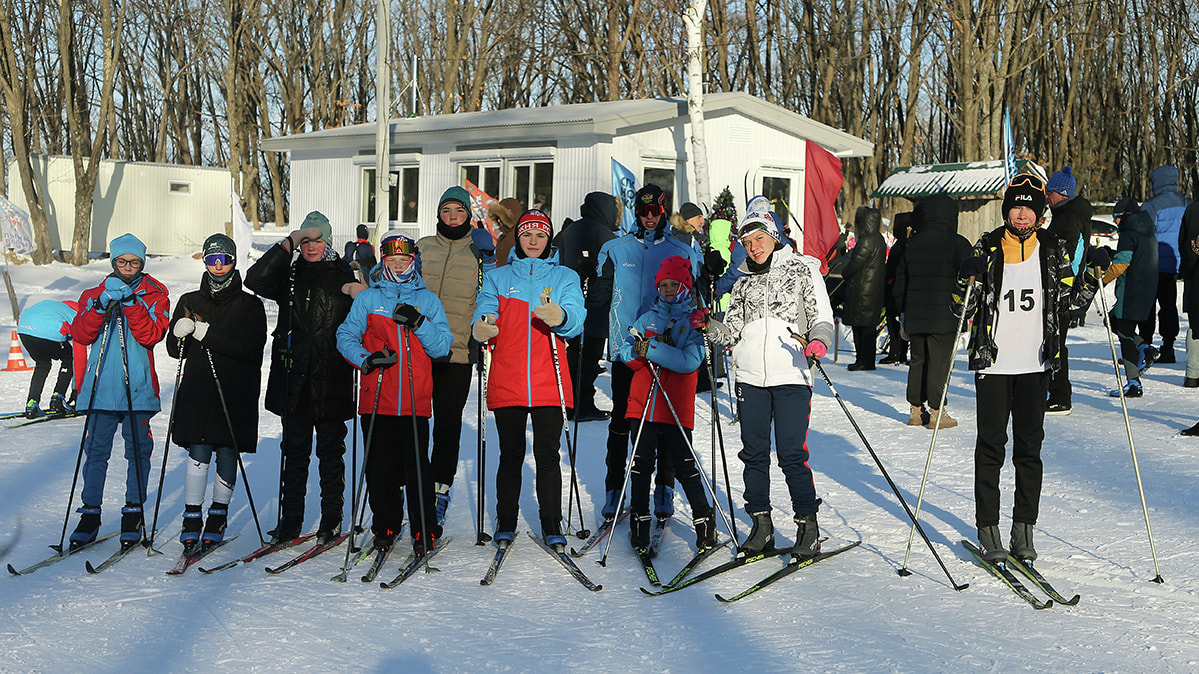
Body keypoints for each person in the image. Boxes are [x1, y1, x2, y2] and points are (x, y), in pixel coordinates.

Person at [955, 174, 1101, 562]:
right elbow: (962, 309)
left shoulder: (1053, 249)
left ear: (1039, 214)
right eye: (1015, 208)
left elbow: (1070, 305)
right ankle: (988, 528)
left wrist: (1091, 275)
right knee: (990, 447)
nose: (1021, 215)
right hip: (995, 363)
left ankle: (1024, 530)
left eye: (1029, 209)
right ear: (1007, 211)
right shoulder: (986, 246)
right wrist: (962, 279)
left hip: (1036, 364)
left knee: (1029, 449)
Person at [705, 212, 835, 560]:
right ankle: (761, 526)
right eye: (746, 243)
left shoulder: (801, 268)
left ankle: (808, 527)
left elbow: (822, 314)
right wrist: (710, 326)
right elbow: (731, 329)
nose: (753, 247)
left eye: (759, 239)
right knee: (754, 454)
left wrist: (819, 341)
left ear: (774, 236)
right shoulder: (743, 281)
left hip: (791, 373)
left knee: (792, 454)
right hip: (749, 377)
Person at [471, 210, 584, 549]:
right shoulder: (499, 276)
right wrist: (483, 323)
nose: (533, 241)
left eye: (540, 235)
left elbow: (577, 319)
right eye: (527, 235)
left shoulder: (564, 276)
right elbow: (485, 307)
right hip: (508, 373)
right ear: (518, 238)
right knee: (511, 452)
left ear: (548, 239)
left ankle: (552, 523)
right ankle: (506, 521)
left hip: (549, 375)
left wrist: (560, 315)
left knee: (548, 453)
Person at [336, 231, 453, 554]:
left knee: (418, 468)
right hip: (377, 398)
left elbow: (442, 346)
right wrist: (367, 359)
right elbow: (345, 335)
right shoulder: (369, 299)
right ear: (383, 262)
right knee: (380, 469)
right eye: (392, 260)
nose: (399, 265)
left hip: (415, 401)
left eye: (404, 260)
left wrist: (419, 322)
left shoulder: (428, 300)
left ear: (413, 261)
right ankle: (384, 525)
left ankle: (424, 529)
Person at [245, 211, 356, 544]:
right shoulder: (288, 275)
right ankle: (290, 521)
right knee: (293, 453)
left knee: (330, 454)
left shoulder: (344, 274)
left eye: (317, 240)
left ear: (328, 242)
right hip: (294, 379)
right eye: (305, 241)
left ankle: (331, 521)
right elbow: (254, 280)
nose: (310, 247)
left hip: (331, 377)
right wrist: (289, 240)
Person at [593, 184, 701, 522]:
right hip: (628, 351)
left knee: (665, 423)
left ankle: (664, 487)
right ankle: (615, 488)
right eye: (644, 210)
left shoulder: (682, 250)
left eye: (656, 211)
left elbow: (693, 294)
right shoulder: (615, 248)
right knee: (623, 423)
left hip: (668, 348)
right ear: (636, 211)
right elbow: (600, 294)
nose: (650, 216)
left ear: (665, 211)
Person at [69, 233, 170, 549]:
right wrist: (100, 306)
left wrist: (130, 303)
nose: (128, 267)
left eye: (134, 262)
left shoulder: (155, 293)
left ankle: (133, 511)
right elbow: (81, 335)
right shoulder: (94, 293)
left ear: (142, 263)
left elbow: (152, 335)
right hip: (100, 387)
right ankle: (89, 514)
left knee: (138, 452)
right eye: (122, 262)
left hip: (137, 387)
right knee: (96, 451)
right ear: (113, 262)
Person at [166, 234, 267, 549]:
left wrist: (206, 334)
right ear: (205, 263)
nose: (218, 266)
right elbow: (173, 349)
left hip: (235, 389)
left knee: (226, 451)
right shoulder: (189, 301)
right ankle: (192, 516)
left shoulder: (250, 304)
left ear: (234, 261)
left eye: (224, 259)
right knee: (198, 450)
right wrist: (179, 334)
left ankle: (218, 515)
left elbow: (251, 349)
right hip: (197, 388)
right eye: (212, 260)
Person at [618, 257, 715, 552]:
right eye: (664, 284)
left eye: (675, 284)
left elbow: (689, 362)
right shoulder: (647, 318)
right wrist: (639, 350)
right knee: (641, 464)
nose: (669, 289)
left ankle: (704, 518)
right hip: (644, 403)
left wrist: (653, 349)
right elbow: (625, 351)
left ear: (685, 285)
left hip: (675, 404)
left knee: (685, 464)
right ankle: (639, 518)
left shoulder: (694, 321)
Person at [417, 186, 495, 526]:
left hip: (457, 351)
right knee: (413, 423)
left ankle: (438, 489)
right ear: (438, 214)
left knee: (447, 426)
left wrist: (490, 260)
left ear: (468, 215)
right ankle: (412, 484)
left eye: (459, 211)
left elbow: (492, 295)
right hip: (416, 350)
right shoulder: (422, 247)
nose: (452, 217)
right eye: (447, 211)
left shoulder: (478, 252)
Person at [893, 194, 972, 428]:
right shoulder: (958, 243)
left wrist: (901, 312)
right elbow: (970, 278)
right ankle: (937, 411)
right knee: (940, 362)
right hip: (944, 314)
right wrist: (966, 310)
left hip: (915, 314)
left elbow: (900, 282)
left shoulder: (912, 245)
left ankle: (915, 411)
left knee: (917, 360)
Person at [557, 191, 618, 422]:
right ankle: (583, 404)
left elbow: (562, 264)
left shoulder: (570, 230)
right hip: (597, 305)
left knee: (574, 355)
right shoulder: (605, 234)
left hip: (571, 302)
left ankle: (571, 402)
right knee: (590, 359)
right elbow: (610, 270)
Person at [1044, 166, 1095, 414]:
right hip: (1059, 288)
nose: (1046, 196)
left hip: (1061, 291)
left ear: (1062, 193)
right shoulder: (1065, 214)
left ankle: (1060, 396)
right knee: (1053, 341)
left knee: (1055, 343)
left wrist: (1063, 286)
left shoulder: (1070, 217)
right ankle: (1055, 392)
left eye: (1049, 191)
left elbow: (1072, 257)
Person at [1102, 198, 1158, 398]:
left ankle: (1133, 383)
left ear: (1125, 216)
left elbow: (1121, 264)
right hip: (1147, 289)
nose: (1115, 222)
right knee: (1114, 322)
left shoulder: (1128, 233)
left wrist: (1102, 279)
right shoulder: (1147, 230)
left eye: (1117, 217)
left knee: (1123, 331)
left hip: (1131, 290)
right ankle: (1144, 347)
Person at [1139, 165, 1191, 362]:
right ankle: (1169, 346)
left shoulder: (1151, 205)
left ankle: (1146, 346)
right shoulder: (1186, 202)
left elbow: (1144, 234)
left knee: (1148, 307)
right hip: (1176, 265)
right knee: (1169, 305)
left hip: (1152, 264)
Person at [17, 299, 81, 418]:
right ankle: (58, 398)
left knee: (42, 364)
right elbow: (80, 345)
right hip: (47, 332)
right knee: (70, 359)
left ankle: (32, 403)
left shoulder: (55, 306)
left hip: (24, 329)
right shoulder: (77, 314)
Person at [840, 207, 886, 371]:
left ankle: (863, 360)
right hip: (873, 288)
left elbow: (855, 263)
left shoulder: (866, 240)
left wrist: (844, 272)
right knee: (867, 327)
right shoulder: (878, 238)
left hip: (863, 288)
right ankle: (866, 360)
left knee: (861, 327)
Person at [880, 212, 911, 366]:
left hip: (896, 289)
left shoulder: (900, 246)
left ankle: (896, 352)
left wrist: (886, 276)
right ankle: (900, 351)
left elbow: (892, 268)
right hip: (904, 289)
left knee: (894, 323)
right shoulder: (910, 244)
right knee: (903, 323)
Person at [1182, 200, 1199, 392]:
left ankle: (1193, 374)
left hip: (1195, 274)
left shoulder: (1192, 209)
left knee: (1195, 327)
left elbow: (1184, 243)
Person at [488, 197, 521, 268]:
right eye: (497, 217)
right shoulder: (502, 238)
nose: (499, 221)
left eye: (502, 217)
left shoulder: (519, 238)